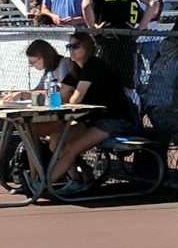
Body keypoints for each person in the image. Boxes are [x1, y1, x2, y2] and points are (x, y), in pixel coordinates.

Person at [46, 32, 138, 193]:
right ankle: (79, 178)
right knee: (55, 140)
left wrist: (64, 100)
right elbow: (61, 96)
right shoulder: (74, 68)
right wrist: (55, 94)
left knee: (70, 149)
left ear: (87, 48)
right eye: (69, 46)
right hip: (92, 120)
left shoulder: (94, 65)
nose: (71, 50)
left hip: (113, 119)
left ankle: (43, 185)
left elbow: (76, 98)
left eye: (75, 46)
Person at [2, 39, 74, 103]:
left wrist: (24, 94)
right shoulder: (49, 70)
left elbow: (62, 94)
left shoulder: (63, 63)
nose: (31, 65)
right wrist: (19, 93)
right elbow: (38, 90)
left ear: (43, 57)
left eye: (33, 62)